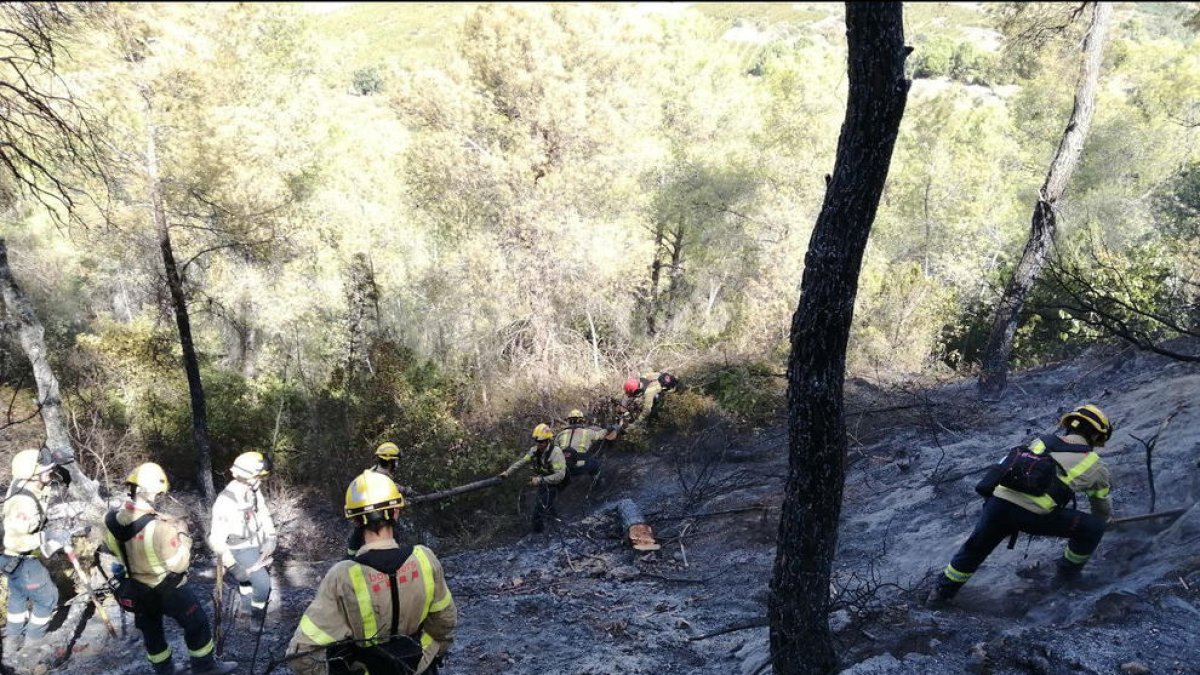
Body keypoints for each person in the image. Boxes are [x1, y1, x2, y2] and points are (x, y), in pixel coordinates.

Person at [927, 404, 1115, 607]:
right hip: (1032, 517)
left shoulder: (1041, 442)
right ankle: (1066, 578)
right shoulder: (1095, 465)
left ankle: (940, 594)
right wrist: (1105, 522)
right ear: (1097, 437)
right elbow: (1101, 508)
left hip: (996, 505)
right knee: (1093, 528)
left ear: (1068, 425)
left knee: (974, 549)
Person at [286, 471, 455, 675]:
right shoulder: (425, 559)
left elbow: (301, 654)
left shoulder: (342, 576)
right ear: (396, 512)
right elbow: (444, 623)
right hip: (418, 666)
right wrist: (431, 656)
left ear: (355, 521)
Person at [99, 463, 235, 675]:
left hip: (136, 589)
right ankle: (205, 667)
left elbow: (118, 551)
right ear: (153, 492)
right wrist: (183, 535)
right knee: (197, 624)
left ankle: (164, 670)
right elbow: (179, 564)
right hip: (167, 589)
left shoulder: (111, 523)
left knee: (152, 633)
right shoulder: (162, 529)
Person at [2, 449, 62, 666]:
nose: (51, 471)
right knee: (48, 598)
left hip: (10, 560)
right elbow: (16, 541)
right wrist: (48, 538)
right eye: (46, 468)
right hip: (20, 559)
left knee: (18, 597)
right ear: (32, 473)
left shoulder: (26, 486)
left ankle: (11, 643)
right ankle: (31, 646)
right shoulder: (23, 503)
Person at [208, 451, 277, 618]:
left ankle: (246, 608)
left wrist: (271, 537)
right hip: (239, 548)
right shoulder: (226, 502)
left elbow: (263, 514)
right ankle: (257, 616)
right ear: (249, 477)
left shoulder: (253, 492)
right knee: (263, 584)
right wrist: (233, 566)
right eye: (259, 478)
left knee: (247, 582)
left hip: (256, 542)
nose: (261, 482)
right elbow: (216, 540)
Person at [345, 442, 413, 558]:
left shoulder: (374, 472)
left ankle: (349, 556)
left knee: (357, 535)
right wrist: (405, 501)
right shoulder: (381, 478)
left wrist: (404, 490)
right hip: (375, 515)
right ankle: (390, 556)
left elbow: (391, 486)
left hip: (362, 514)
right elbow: (388, 493)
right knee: (391, 531)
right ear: (393, 462)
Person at [499, 424, 567, 533]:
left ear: (547, 441)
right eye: (537, 442)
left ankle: (538, 535)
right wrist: (508, 472)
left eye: (541, 442)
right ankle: (557, 529)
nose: (538, 444)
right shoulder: (534, 450)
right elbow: (522, 462)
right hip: (544, 483)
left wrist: (540, 480)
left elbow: (560, 475)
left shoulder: (556, 453)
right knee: (548, 507)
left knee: (538, 510)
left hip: (556, 484)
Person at [554, 409, 621, 480]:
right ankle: (596, 481)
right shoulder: (587, 432)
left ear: (569, 421)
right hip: (579, 468)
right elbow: (600, 435)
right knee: (595, 463)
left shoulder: (560, 434)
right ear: (581, 420)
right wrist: (611, 428)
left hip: (563, 469)